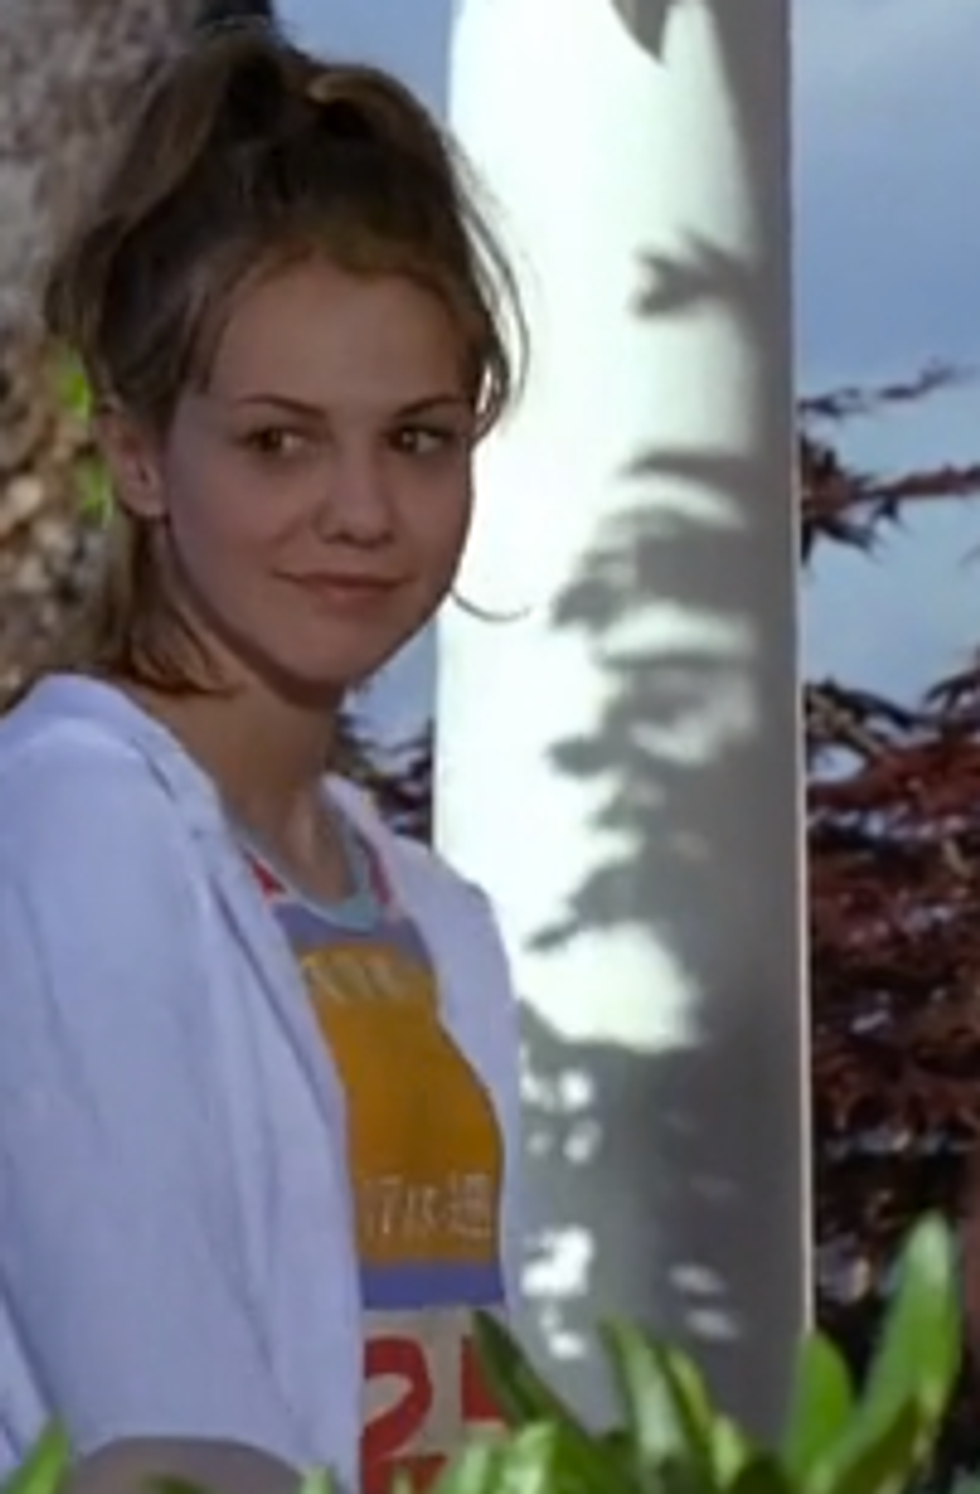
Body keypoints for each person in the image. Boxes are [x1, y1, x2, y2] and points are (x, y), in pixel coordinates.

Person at [0, 20, 525, 1494]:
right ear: (141, 456)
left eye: (417, 439)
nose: (361, 510)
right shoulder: (70, 826)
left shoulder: (425, 907)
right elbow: (167, 1438)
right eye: (280, 442)